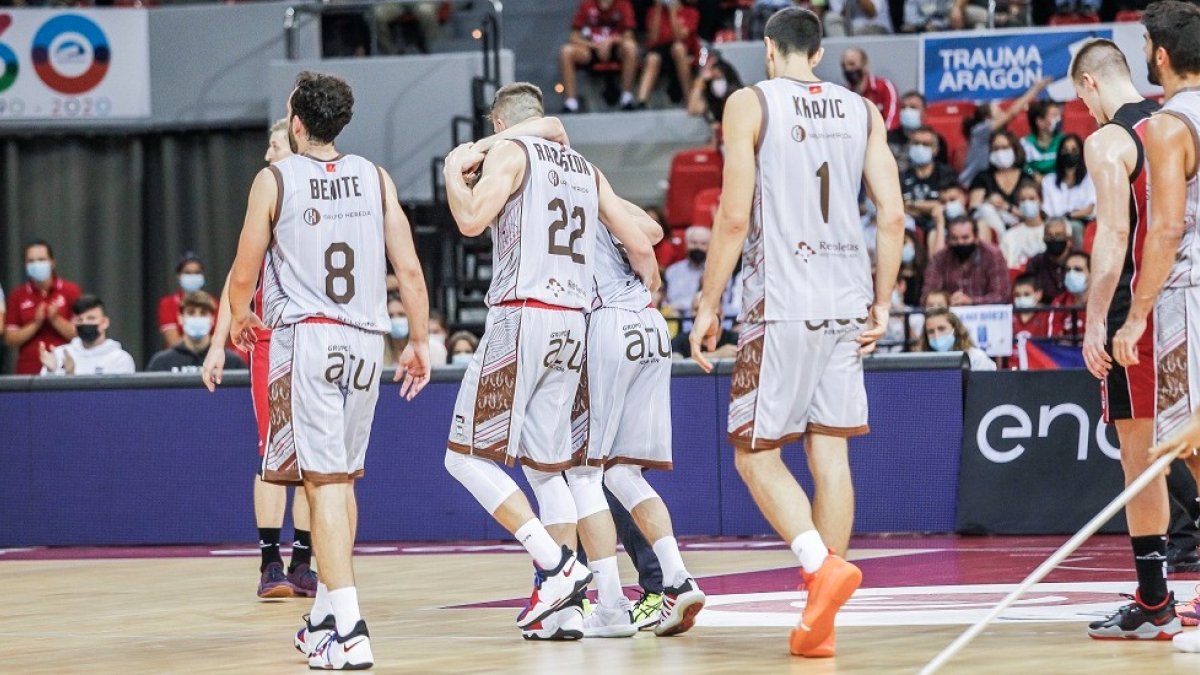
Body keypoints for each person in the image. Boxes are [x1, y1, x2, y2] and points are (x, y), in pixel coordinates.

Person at [690, 8, 904, 657]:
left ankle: (820, 567)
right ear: (819, 51)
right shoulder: (861, 108)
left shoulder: (750, 103)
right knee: (830, 456)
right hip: (846, 298)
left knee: (754, 454)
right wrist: (884, 302)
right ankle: (823, 618)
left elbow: (732, 216)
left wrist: (708, 301)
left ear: (767, 48)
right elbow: (892, 216)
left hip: (779, 299)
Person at [225, 71, 432, 669]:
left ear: (296, 124)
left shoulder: (274, 179)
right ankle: (322, 619)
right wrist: (417, 339)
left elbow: (244, 270)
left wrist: (241, 315)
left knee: (323, 485)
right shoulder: (377, 176)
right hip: (367, 342)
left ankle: (349, 626)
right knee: (339, 480)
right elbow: (410, 271)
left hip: (307, 339)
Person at [441, 83, 658, 639]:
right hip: (572, 322)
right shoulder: (583, 167)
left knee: (463, 458)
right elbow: (639, 235)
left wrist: (451, 176)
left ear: (497, 124)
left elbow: (469, 220)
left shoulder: (511, 153)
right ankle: (573, 608)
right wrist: (650, 279)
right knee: (548, 468)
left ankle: (556, 564)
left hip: (523, 313)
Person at [1074, 27, 1190, 641]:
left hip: (1140, 314)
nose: (1086, 111)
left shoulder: (1110, 139)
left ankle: (1153, 603)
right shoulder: (1179, 119)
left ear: (1091, 84)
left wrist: (1097, 320)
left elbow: (1115, 238)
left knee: (1141, 461)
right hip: (1189, 297)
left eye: (1083, 99)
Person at [564, 198, 705, 639]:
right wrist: (603, 193)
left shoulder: (535, 196)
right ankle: (676, 579)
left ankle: (606, 604)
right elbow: (654, 234)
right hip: (649, 324)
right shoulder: (595, 196)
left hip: (604, 322)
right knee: (624, 474)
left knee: (581, 473)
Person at [205, 118, 318, 602]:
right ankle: (271, 562)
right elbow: (239, 274)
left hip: (321, 337)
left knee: (318, 459)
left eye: (273, 145)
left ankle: (305, 563)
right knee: (274, 453)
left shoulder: (327, 197)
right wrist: (215, 344)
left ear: (294, 144)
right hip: (272, 339)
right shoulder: (268, 196)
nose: (267, 155)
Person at [5, 240, 81, 375]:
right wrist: (36, 323)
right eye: (31, 261)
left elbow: (79, 334)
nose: (36, 264)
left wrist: (56, 319)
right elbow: (10, 339)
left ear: (52, 262)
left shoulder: (71, 291)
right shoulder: (17, 295)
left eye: (41, 260)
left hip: (66, 368)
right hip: (28, 371)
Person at [959, 78, 1051, 187]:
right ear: (988, 118)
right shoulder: (980, 131)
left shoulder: (1002, 135)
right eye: (999, 111)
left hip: (991, 185)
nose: (1003, 113)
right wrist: (1036, 89)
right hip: (970, 184)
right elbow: (1011, 114)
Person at [561, 0, 640, 112]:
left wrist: (610, 42)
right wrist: (596, 46)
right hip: (591, 49)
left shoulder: (623, 4)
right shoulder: (587, 4)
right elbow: (574, 36)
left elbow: (629, 35)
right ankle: (571, 103)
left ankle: (626, 98)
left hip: (616, 48)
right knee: (566, 51)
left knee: (631, 47)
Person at [146, 291, 246, 373]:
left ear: (212, 319)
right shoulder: (161, 363)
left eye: (203, 313)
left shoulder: (232, 362)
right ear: (180, 318)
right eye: (191, 313)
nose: (197, 318)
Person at [37, 295, 135, 376]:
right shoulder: (59, 355)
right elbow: (47, 397)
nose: (85, 323)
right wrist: (51, 372)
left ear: (105, 322)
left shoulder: (120, 359)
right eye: (80, 320)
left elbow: (121, 397)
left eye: (91, 318)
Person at [923, 216, 1011, 305]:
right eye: (954, 238)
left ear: (976, 238)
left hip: (985, 314)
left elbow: (1001, 295)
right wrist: (947, 300)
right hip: (949, 313)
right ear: (948, 239)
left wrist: (971, 301)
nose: (960, 242)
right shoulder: (939, 258)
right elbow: (928, 294)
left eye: (965, 238)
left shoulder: (992, 255)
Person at [635, 0, 701, 109]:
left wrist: (672, 12)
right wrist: (658, 10)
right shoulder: (653, 12)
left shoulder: (691, 12)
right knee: (652, 58)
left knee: (678, 49)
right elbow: (653, 38)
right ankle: (642, 100)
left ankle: (689, 98)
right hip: (660, 49)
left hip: (683, 51)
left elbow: (679, 37)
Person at [969, 130, 1040, 221]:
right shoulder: (982, 177)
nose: (1000, 153)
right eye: (996, 149)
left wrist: (1007, 207)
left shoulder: (1027, 177)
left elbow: (1033, 215)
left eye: (1005, 147)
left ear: (1015, 150)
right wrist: (987, 202)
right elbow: (974, 209)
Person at [900, 126, 958, 232]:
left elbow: (943, 205)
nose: (920, 148)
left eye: (926, 144)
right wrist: (928, 207)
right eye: (916, 143)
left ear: (935, 149)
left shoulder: (946, 173)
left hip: (940, 225)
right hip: (908, 228)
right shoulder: (902, 175)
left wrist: (912, 204)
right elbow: (899, 207)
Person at [687, 48, 744, 144]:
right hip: (717, 129)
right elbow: (692, 109)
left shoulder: (733, 86)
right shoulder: (707, 87)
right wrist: (700, 80)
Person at [1041, 133, 1097, 225]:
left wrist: (1068, 217)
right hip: (1054, 224)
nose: (1069, 153)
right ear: (1060, 153)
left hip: (1081, 223)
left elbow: (1089, 208)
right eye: (1065, 150)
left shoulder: (1090, 178)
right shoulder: (1048, 181)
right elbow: (1047, 210)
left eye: (1074, 150)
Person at [157, 251, 209, 349]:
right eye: (188, 273)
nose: (193, 276)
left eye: (197, 272)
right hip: (177, 360)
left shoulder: (213, 303)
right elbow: (173, 340)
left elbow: (219, 340)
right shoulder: (168, 304)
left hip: (210, 359)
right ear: (179, 276)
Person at [888, 91, 950, 170]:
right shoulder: (888, 138)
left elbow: (941, 170)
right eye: (903, 107)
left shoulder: (937, 140)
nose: (907, 111)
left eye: (913, 107)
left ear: (924, 111)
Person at [921, 307, 997, 370]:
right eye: (931, 332)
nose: (936, 335)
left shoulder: (976, 358)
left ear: (955, 330)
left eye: (942, 329)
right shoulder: (922, 362)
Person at [841, 48, 898, 131]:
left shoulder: (885, 87)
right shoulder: (844, 94)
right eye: (844, 66)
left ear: (865, 66)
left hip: (885, 139)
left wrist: (876, 139)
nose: (848, 69)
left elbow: (891, 122)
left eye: (852, 64)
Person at [1023, 217, 1075, 299]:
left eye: (1059, 235)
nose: (1054, 239)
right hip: (1043, 309)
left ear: (1068, 238)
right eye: (1049, 236)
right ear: (1044, 238)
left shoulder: (1078, 261)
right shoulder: (1036, 262)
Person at [663, 226, 711, 313]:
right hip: (676, 320)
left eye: (703, 244)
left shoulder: (715, 271)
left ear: (710, 247)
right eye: (693, 243)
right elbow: (669, 300)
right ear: (686, 245)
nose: (698, 247)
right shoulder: (673, 271)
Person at [1000, 185, 1048, 268]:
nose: (1027, 203)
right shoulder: (1009, 236)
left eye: (1032, 199)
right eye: (1023, 200)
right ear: (1018, 204)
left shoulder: (1052, 232)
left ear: (1041, 201)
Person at [1048, 251, 1089, 341]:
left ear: (1091, 274)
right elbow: (1054, 341)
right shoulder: (1059, 302)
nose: (1071, 274)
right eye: (1068, 270)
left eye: (1078, 269)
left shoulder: (1102, 302)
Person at [1021, 100, 1065, 177]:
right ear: (1040, 121)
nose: (1059, 119)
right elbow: (1024, 167)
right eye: (1054, 115)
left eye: (1059, 115)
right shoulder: (1026, 144)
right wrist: (1033, 174)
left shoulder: (1064, 141)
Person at [1011, 274, 1050, 349]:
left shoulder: (1048, 315)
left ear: (1038, 294)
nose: (1021, 298)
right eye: (1017, 295)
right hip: (1013, 360)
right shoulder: (1009, 315)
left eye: (1026, 294)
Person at [825, 0, 894, 35]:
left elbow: (872, 13)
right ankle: (843, 51)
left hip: (875, 28)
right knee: (830, 18)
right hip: (851, 30)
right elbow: (840, 15)